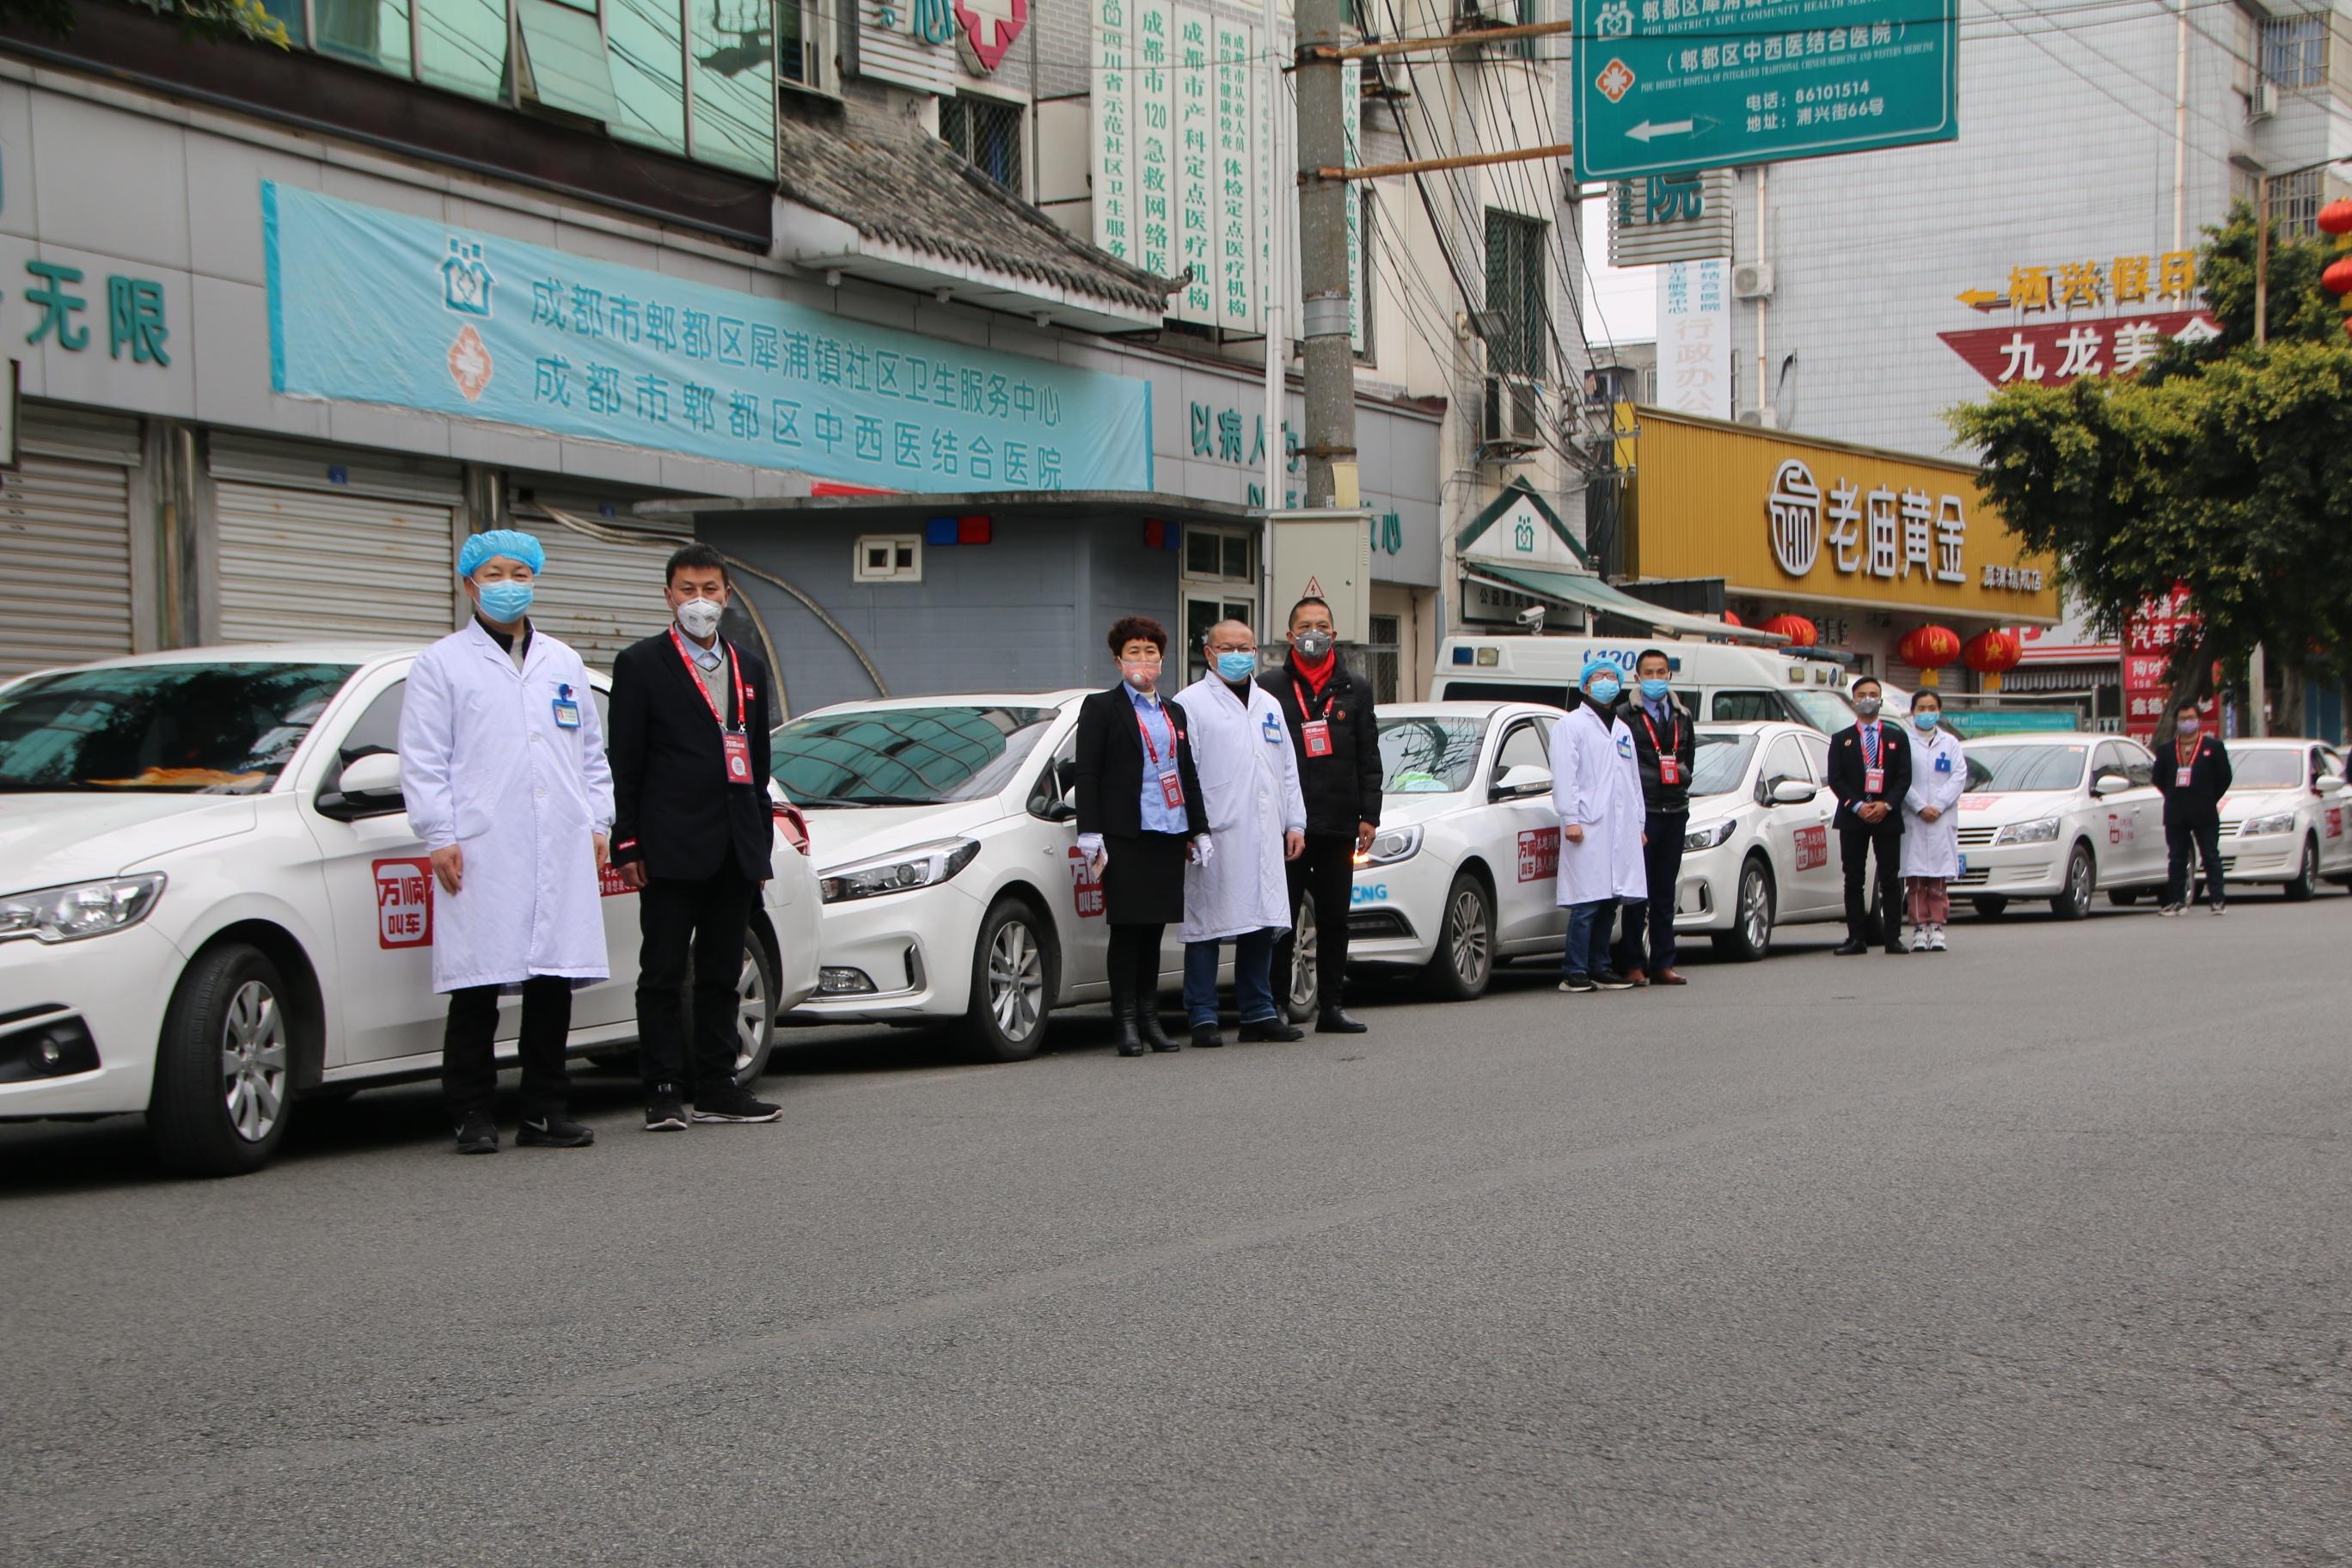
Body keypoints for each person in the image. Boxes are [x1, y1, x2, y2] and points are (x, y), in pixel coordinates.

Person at [400, 529, 612, 1155]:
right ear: (469, 584)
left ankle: (545, 1109)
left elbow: (592, 755)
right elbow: (423, 758)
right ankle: (471, 1111)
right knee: (478, 983)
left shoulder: (563, 662)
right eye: (493, 573)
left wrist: (598, 822)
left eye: (520, 572)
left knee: (552, 980)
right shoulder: (441, 664)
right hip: (482, 843)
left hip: (561, 837)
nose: (508, 584)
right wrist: (439, 833)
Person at [608, 543, 783, 1132]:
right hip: (668, 845)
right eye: (687, 590)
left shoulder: (749, 668)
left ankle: (717, 1084)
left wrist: (759, 846)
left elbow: (756, 766)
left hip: (734, 846)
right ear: (668, 596)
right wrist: (626, 842)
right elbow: (625, 763)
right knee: (661, 972)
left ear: (728, 596)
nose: (699, 602)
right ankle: (661, 1089)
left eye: (710, 590)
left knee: (720, 973)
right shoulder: (640, 665)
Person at [1075, 617, 1211, 1056]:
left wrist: (1199, 828)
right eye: (1134, 652)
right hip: (1124, 834)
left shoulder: (1174, 711)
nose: (1143, 660)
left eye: (1150, 652)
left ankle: (1152, 1020)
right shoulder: (1101, 709)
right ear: (1118, 660)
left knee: (1153, 931)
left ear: (1162, 659)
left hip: (1167, 832)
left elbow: (1186, 773)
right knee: (1127, 930)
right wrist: (1090, 830)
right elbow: (1088, 773)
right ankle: (1126, 1022)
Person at [1174, 622, 1308, 1048]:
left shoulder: (1269, 703)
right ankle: (1202, 1015)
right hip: (1214, 832)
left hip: (1266, 831)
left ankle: (1258, 1011)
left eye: (1245, 647)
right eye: (1227, 647)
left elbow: (1287, 767)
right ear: (1209, 654)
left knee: (1261, 919)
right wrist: (1191, 828)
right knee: (1208, 922)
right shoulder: (1189, 704)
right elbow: (1182, 770)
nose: (1237, 654)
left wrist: (1296, 823)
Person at [1260, 597, 1381, 1034]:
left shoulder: (1356, 688)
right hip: (1286, 824)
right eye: (1306, 625)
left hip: (1338, 819)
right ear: (1290, 636)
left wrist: (1370, 813)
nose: (1315, 632)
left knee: (1334, 916)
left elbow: (1368, 754)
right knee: (1282, 916)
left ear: (1335, 633)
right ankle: (1274, 1003)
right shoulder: (1269, 686)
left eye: (1323, 625)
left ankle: (1331, 1005)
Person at [1548, 659, 1646, 993]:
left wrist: (1639, 823)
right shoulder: (1571, 725)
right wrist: (1570, 818)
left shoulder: (1622, 729)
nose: (1606, 682)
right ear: (1585, 686)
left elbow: (1632, 781)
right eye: (1598, 677)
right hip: (1587, 825)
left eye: (1611, 677)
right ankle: (1574, 970)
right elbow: (1565, 775)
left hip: (1620, 827)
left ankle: (1600, 967)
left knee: (1610, 900)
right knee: (1586, 901)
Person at [1612, 648, 1698, 986]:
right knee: (1637, 892)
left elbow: (1688, 757)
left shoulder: (1681, 715)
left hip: (1675, 808)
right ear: (1637, 678)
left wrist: (1681, 775)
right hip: (1642, 811)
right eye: (1649, 673)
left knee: (1665, 891)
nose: (1656, 678)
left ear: (1670, 676)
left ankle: (1663, 962)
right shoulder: (1624, 715)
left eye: (1661, 672)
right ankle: (1633, 962)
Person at [1826, 675, 1911, 957]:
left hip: (1887, 814)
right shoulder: (1842, 740)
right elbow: (1836, 780)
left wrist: (1886, 804)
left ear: (1881, 700)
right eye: (1862, 694)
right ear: (1853, 701)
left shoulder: (1897, 737)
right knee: (1853, 878)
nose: (1868, 699)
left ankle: (1893, 938)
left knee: (1889, 877)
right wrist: (1857, 804)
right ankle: (1856, 938)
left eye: (1873, 694)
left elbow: (1904, 777)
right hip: (1853, 816)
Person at [1898, 689, 1967, 952]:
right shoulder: (1904, 741)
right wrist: (1918, 806)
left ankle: (1936, 927)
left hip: (1941, 817)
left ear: (1939, 711)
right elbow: (1900, 778)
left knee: (1938, 878)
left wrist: (1937, 806)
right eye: (1922, 708)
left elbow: (1958, 776)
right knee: (1915, 878)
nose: (1927, 713)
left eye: (1931, 708)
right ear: (1913, 711)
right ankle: (1919, 928)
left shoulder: (1950, 743)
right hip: (1914, 818)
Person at [2153, 698, 2233, 916]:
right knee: (2177, 857)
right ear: (2176, 721)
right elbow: (2158, 778)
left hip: (2204, 811)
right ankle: (2177, 901)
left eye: (2190, 718)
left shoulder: (2213, 747)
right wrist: (2173, 795)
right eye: (2182, 719)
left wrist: (2209, 797)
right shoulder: (2167, 750)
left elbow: (2225, 777)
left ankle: (2217, 900)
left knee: (2210, 856)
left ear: (2199, 720)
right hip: (2176, 812)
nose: (2186, 723)